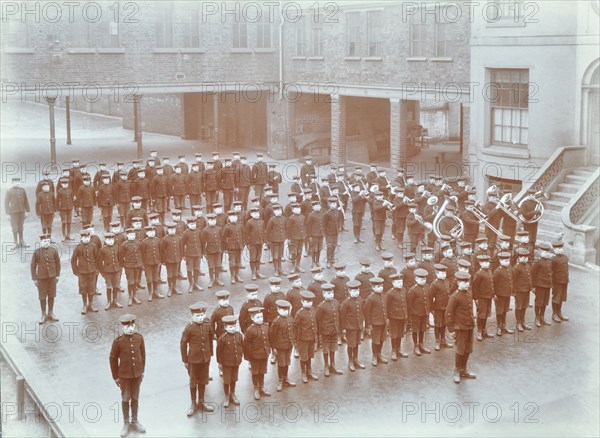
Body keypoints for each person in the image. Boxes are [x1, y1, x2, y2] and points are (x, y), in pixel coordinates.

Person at [109, 313, 146, 437]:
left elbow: (143, 356)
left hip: (137, 375)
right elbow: (112, 359)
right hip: (124, 376)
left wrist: (142, 371)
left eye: (132, 326)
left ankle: (134, 421)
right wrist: (116, 377)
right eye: (127, 327)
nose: (130, 329)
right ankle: (126, 423)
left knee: (135, 398)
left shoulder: (139, 338)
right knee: (126, 399)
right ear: (122, 327)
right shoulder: (118, 342)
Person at [180, 302, 215, 416]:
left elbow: (210, 339)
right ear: (192, 316)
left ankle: (202, 402)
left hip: (205, 359)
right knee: (193, 381)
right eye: (197, 316)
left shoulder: (207, 325)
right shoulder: (189, 328)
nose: (200, 318)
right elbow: (183, 344)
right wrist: (185, 360)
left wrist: (210, 354)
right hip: (193, 360)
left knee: (203, 380)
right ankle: (193, 403)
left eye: (202, 315)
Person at [446, 271, 476, 384]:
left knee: (468, 349)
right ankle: (457, 371)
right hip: (460, 328)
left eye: (468, 282)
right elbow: (449, 313)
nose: (467, 284)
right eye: (464, 283)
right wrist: (451, 329)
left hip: (469, 327)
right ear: (458, 283)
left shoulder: (469, 293)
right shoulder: (454, 297)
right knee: (460, 350)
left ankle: (464, 369)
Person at [30, 233, 61, 324]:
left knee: (52, 295)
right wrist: (34, 278)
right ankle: (43, 314)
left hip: (52, 278)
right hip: (41, 278)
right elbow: (33, 265)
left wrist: (57, 275)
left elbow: (58, 263)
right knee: (42, 296)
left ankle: (50, 313)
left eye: (48, 241)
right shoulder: (37, 252)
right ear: (41, 242)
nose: (47, 243)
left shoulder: (53, 251)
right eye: (44, 241)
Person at [243, 306, 272, 400]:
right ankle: (256, 388)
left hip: (264, 354)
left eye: (261, 316)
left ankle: (262, 387)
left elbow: (268, 339)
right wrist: (248, 358)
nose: (260, 319)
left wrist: (269, 350)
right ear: (252, 318)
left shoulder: (266, 326)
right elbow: (246, 345)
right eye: (257, 317)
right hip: (254, 356)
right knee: (255, 373)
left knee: (262, 371)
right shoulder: (250, 330)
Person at [269, 299, 297, 391]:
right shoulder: (276, 321)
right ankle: (280, 380)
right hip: (280, 347)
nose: (285, 312)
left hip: (289, 345)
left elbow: (293, 331)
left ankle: (286, 378)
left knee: (287, 362)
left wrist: (293, 341)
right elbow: (272, 336)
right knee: (281, 364)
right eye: (283, 310)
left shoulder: (290, 318)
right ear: (278, 310)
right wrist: (274, 348)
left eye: (286, 310)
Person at [316, 283, 343, 376]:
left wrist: (340, 329)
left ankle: (333, 365)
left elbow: (339, 317)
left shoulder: (336, 303)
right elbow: (318, 321)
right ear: (323, 294)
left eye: (332, 293)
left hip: (334, 331)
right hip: (325, 332)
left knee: (333, 348)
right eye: (328, 293)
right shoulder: (321, 306)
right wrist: (320, 334)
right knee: (326, 349)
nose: (331, 295)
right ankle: (326, 366)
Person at [216, 314, 243, 408]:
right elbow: (218, 351)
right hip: (226, 363)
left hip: (236, 362)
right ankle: (227, 397)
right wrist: (219, 363)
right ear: (225, 327)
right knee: (227, 380)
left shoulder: (239, 335)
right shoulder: (222, 338)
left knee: (234, 379)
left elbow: (241, 347)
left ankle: (233, 394)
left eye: (234, 327)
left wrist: (240, 357)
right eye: (230, 327)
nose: (232, 329)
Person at [71, 229, 100, 314]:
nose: (86, 239)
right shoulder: (78, 247)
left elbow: (97, 258)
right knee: (83, 288)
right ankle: (84, 305)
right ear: (81, 238)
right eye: (84, 237)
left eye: (88, 237)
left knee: (91, 288)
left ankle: (91, 304)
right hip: (82, 272)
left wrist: (97, 269)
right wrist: (75, 271)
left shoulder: (93, 246)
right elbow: (73, 260)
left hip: (92, 271)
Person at [339, 280, 365, 371]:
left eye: (357, 291)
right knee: (351, 344)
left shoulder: (361, 300)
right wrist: (343, 329)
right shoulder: (346, 303)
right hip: (350, 327)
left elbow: (362, 312)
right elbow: (342, 317)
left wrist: (363, 323)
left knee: (357, 343)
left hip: (358, 326)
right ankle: (350, 361)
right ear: (349, 291)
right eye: (354, 291)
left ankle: (356, 360)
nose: (356, 293)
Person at [294, 290, 319, 383]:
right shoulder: (299, 313)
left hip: (311, 338)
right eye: (307, 301)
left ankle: (309, 371)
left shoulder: (313, 310)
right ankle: (303, 372)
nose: (309, 303)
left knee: (309, 355)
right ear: (302, 301)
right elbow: (295, 327)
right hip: (303, 339)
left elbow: (315, 324)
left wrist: (316, 337)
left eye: (311, 301)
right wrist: (296, 341)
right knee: (303, 357)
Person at [363, 277, 389, 366]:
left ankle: (379, 354)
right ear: (373, 288)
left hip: (383, 322)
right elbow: (367, 312)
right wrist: (368, 324)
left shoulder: (384, 296)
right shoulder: (370, 298)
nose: (380, 288)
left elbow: (386, 309)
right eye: (378, 286)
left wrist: (387, 320)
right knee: (375, 340)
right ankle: (374, 356)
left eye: (381, 286)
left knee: (382, 339)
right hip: (375, 323)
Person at [407, 268, 431, 356]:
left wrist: (428, 312)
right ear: (416, 279)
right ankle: (415, 346)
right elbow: (409, 304)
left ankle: (421, 344)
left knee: (422, 329)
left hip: (424, 313)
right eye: (421, 279)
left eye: (424, 279)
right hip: (415, 314)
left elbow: (428, 300)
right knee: (415, 330)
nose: (423, 281)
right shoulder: (412, 290)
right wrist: (410, 317)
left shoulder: (427, 287)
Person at [430, 264, 453, 350]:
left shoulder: (447, 282)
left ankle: (443, 340)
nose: (444, 275)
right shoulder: (434, 284)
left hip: (446, 308)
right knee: (438, 324)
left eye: (444, 273)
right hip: (438, 308)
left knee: (444, 324)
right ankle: (437, 341)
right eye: (441, 273)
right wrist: (431, 309)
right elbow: (431, 297)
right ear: (436, 274)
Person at [472, 255, 495, 340]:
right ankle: (479, 331)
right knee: (481, 315)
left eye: (488, 262)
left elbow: (491, 284)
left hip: (488, 297)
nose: (488, 263)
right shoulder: (479, 273)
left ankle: (484, 330)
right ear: (480, 263)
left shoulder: (489, 271)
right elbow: (474, 287)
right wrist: (476, 298)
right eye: (486, 262)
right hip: (481, 297)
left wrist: (493, 294)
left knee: (485, 314)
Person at [98, 232, 124, 310]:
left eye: (112, 239)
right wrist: (102, 272)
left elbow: (120, 258)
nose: (111, 241)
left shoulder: (117, 247)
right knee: (109, 286)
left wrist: (119, 267)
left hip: (116, 270)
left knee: (115, 285)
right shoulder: (103, 249)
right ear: (105, 240)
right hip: (107, 271)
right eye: (108, 240)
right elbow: (99, 262)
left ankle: (115, 301)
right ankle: (109, 302)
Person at [386, 273, 409, 359]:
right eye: (398, 282)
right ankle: (393, 351)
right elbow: (387, 306)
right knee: (394, 335)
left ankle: (399, 349)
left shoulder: (404, 290)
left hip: (402, 317)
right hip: (394, 318)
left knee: (400, 334)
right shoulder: (390, 293)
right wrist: (388, 318)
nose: (400, 283)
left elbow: (406, 303)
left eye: (401, 282)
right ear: (393, 283)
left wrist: (406, 315)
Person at [532, 242, 553, 327]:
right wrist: (533, 287)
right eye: (544, 252)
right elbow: (533, 274)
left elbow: (551, 272)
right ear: (540, 252)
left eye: (547, 252)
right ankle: (537, 318)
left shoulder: (549, 261)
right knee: (539, 302)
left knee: (545, 302)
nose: (546, 253)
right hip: (539, 285)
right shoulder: (537, 262)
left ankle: (542, 317)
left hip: (547, 285)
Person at [140, 225, 164, 301]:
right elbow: (142, 253)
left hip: (156, 262)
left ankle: (155, 292)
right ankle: (150, 293)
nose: (152, 233)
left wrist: (160, 261)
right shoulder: (144, 242)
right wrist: (143, 264)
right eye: (150, 232)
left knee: (155, 278)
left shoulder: (158, 240)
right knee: (149, 279)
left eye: (153, 231)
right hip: (148, 263)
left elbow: (161, 251)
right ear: (146, 233)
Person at [492, 252, 514, 336]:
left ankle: (504, 326)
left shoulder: (509, 268)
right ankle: (499, 326)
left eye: (508, 260)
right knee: (499, 311)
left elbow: (511, 280)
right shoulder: (497, 271)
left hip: (507, 294)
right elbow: (493, 283)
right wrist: (494, 294)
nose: (507, 262)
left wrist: (512, 291)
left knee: (505, 310)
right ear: (500, 260)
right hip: (499, 295)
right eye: (505, 261)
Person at [5, 177, 31, 247]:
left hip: (21, 212)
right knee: (14, 227)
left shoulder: (22, 190)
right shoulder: (9, 191)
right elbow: (6, 203)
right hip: (13, 213)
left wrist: (26, 211)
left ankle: (22, 241)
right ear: (12, 183)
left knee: (21, 227)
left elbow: (26, 201)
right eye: (16, 182)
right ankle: (15, 243)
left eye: (18, 182)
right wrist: (7, 214)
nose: (17, 183)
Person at [513, 247, 533, 332]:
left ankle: (523, 322)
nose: (525, 259)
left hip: (526, 290)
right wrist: (514, 292)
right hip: (519, 291)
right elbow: (513, 280)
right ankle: (518, 323)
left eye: (526, 257)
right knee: (519, 307)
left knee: (524, 306)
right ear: (518, 258)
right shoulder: (516, 267)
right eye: (523, 257)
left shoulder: (527, 266)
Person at [222, 210, 245, 284]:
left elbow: (242, 235)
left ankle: (237, 275)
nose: (234, 218)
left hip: (239, 247)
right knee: (232, 262)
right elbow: (224, 238)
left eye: (235, 216)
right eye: (232, 217)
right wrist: (225, 248)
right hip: (231, 247)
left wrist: (242, 244)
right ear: (229, 218)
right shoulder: (227, 227)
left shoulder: (240, 225)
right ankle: (232, 276)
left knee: (237, 261)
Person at [551, 240, 570, 322]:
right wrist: (552, 283)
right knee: (556, 297)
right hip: (557, 282)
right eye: (558, 248)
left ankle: (559, 312)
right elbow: (551, 271)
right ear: (554, 250)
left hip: (564, 281)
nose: (561, 249)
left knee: (561, 297)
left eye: (561, 248)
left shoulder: (565, 257)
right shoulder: (553, 259)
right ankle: (554, 314)